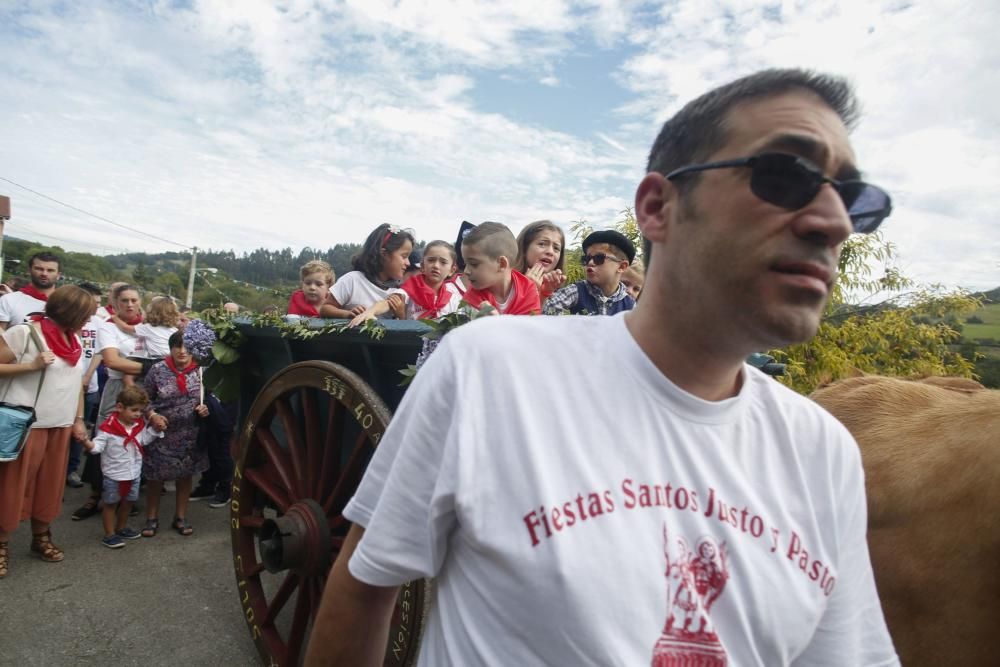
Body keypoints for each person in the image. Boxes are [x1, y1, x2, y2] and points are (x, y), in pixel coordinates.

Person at [307, 69, 898, 665]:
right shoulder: (488, 370)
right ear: (658, 207)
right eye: (784, 176)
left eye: (850, 198)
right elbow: (364, 588)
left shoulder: (825, 453)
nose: (836, 222)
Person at [0, 285, 92, 578]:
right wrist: (30, 366)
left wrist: (78, 419)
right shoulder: (25, 333)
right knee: (13, 487)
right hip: (28, 425)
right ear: (71, 312)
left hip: (60, 426)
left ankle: (41, 537)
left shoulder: (73, 340)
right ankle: (1, 544)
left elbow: (76, 383)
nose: (88, 321)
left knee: (49, 487)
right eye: (86, 314)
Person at [72, 284, 155, 522]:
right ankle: (95, 494)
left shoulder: (148, 327)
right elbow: (112, 361)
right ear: (116, 303)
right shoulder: (108, 327)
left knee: (138, 440)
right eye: (124, 300)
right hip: (118, 389)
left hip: (146, 387)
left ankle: (129, 495)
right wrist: (152, 366)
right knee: (107, 438)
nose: (129, 304)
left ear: (140, 301)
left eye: (134, 300)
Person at [140, 331, 209, 537]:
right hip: (161, 433)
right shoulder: (158, 370)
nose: (182, 351)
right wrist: (152, 416)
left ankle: (180, 517)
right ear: (170, 349)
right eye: (177, 346)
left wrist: (206, 410)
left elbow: (210, 399)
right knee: (156, 477)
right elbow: (144, 399)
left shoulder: (201, 372)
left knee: (185, 476)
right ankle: (151, 518)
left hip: (190, 434)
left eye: (186, 347)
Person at [82, 386, 164, 549]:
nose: (138, 415)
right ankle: (109, 534)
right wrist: (86, 442)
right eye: (134, 410)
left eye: (140, 411)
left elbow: (143, 441)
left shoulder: (138, 425)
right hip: (114, 475)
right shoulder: (107, 429)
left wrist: (155, 430)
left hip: (133, 472)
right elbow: (97, 448)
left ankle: (121, 527)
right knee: (110, 504)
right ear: (120, 407)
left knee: (128, 502)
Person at [349, 240, 462, 326]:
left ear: (452, 270)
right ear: (422, 266)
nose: (436, 266)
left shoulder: (454, 298)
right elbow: (386, 303)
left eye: (443, 262)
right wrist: (370, 312)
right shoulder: (410, 289)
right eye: (431, 260)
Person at [319, 224, 414, 319]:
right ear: (384, 254)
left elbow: (403, 327)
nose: (408, 263)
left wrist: (401, 314)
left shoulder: (400, 291)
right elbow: (325, 309)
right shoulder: (352, 280)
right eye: (404, 256)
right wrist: (346, 314)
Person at [543, 229, 637, 315]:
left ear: (621, 266)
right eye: (587, 259)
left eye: (599, 258)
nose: (590, 263)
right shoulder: (576, 291)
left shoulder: (631, 305)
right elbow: (546, 314)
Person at [66, 282, 104, 488]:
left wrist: (88, 376)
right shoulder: (67, 324)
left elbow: (99, 351)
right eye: (92, 304)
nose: (95, 309)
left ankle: (71, 469)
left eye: (98, 304)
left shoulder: (97, 323)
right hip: (66, 387)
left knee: (79, 431)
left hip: (89, 386)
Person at [460, 222, 542, 315]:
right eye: (465, 263)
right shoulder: (470, 299)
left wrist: (497, 323)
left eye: (474, 264)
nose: (466, 271)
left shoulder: (528, 290)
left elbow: (529, 327)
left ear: (502, 264)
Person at [114, 296, 180, 386]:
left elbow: (126, 328)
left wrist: (115, 318)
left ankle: (134, 396)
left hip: (154, 360)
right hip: (171, 361)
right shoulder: (174, 330)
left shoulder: (148, 327)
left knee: (128, 377)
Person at [0, 252, 62, 330]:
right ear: (29, 271)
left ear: (58, 275)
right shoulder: (8, 300)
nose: (44, 273)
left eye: (50, 270)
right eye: (39, 269)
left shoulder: (67, 306)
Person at [515, 220, 567, 302]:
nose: (550, 252)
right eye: (542, 244)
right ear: (524, 248)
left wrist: (544, 294)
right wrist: (526, 290)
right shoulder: (504, 282)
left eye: (556, 248)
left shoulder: (559, 294)